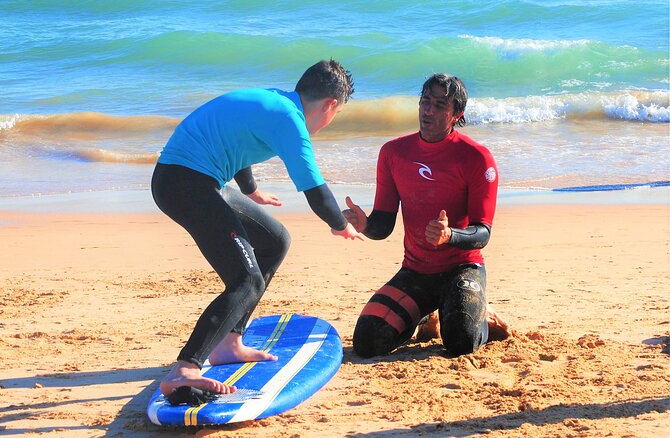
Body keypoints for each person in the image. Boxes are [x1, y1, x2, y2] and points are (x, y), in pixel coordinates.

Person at [151, 59, 361, 404]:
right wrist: (341, 225)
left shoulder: (273, 102)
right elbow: (314, 188)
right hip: (184, 181)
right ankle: (185, 369)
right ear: (331, 105)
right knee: (246, 279)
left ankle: (229, 341)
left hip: (194, 178)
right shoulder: (290, 120)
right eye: (334, 115)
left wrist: (250, 191)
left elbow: (239, 142)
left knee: (274, 241)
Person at [343, 73, 509, 359]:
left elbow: (483, 233)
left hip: (462, 268)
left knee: (460, 342)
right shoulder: (394, 153)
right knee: (368, 342)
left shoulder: (476, 157)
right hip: (416, 271)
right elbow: (383, 225)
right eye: (425, 102)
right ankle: (426, 313)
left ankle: (484, 314)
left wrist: (450, 235)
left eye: (439, 105)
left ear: (457, 114)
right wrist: (366, 224)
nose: (428, 111)